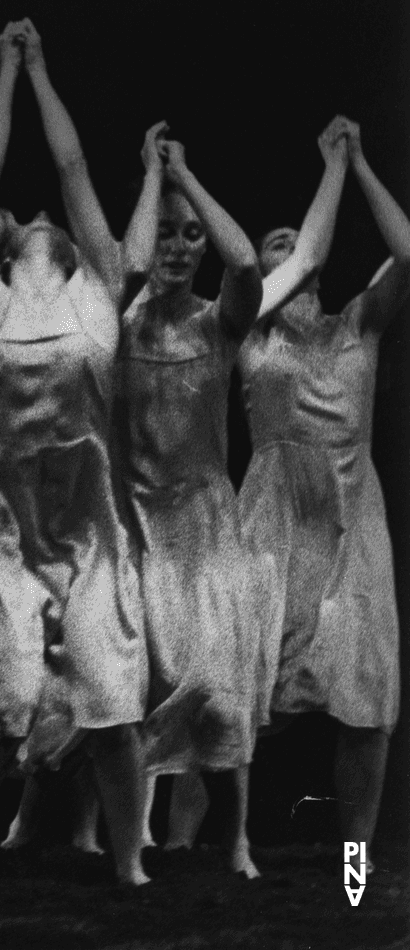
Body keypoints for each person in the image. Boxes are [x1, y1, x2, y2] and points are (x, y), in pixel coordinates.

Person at [0, 20, 153, 884]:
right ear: (7, 242)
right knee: (3, 688)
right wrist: (4, 71)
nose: (46, 209)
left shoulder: (101, 290)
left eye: (57, 216)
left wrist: (45, 67)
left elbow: (76, 166)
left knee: (112, 695)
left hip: (87, 528)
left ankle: (130, 861)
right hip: (6, 528)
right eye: (28, 214)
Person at [239, 116, 410, 872]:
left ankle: (356, 861)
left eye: (294, 243)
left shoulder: (358, 326)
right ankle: (184, 844)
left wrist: (359, 161)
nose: (292, 251)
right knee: (238, 686)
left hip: (349, 512)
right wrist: (327, 169)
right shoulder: (248, 332)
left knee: (363, 696)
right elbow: (308, 245)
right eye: (276, 246)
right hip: (275, 514)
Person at [107, 127, 268, 876]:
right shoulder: (116, 321)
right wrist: (150, 177)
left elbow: (243, 259)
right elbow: (128, 261)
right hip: (138, 520)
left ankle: (235, 839)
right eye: (167, 232)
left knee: (219, 692)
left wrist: (188, 176)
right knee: (138, 684)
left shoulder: (218, 323)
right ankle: (131, 839)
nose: (175, 246)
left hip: (205, 526)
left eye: (188, 235)